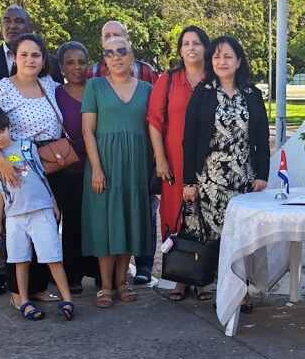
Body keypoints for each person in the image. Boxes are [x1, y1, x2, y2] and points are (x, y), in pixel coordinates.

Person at [0, 4, 61, 296]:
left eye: (35, 55)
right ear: (15, 58)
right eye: (24, 55)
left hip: (50, 163)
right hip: (17, 163)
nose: (30, 60)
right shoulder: (1, 89)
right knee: (18, 227)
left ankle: (40, 288)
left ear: (43, 59)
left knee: (45, 226)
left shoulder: (49, 84)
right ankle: (20, 293)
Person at [181, 35, 270, 304]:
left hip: (244, 180)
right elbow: (189, 139)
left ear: (238, 61)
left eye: (228, 56)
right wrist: (189, 181)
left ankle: (242, 292)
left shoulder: (252, 94)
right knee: (216, 238)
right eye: (217, 56)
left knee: (242, 238)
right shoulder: (203, 93)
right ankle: (221, 290)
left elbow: (261, 138)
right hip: (210, 181)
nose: (222, 61)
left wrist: (262, 175)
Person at [0, 105, 74, 321]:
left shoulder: (27, 147)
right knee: (19, 260)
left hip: (41, 211)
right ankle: (24, 301)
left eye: (1, 131)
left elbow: (41, 175)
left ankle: (67, 298)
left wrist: (53, 202)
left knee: (52, 257)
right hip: (14, 217)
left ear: (9, 127)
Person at [80, 35, 154, 308]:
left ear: (132, 55)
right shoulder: (95, 86)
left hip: (136, 164)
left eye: (121, 51)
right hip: (105, 164)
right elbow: (87, 131)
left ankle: (122, 282)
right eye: (109, 53)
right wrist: (96, 169)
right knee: (105, 222)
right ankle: (105, 285)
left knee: (129, 220)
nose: (116, 57)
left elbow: (154, 128)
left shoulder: (147, 89)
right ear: (104, 59)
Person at [147, 25, 211, 301]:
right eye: (186, 43)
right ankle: (179, 278)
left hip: (208, 162)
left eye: (197, 43)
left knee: (206, 217)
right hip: (174, 161)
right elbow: (154, 121)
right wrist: (160, 158)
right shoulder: (169, 80)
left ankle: (203, 278)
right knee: (174, 216)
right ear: (180, 50)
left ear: (206, 47)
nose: (191, 48)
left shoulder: (214, 79)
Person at [54, 40, 99, 293]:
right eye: (70, 63)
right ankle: (72, 274)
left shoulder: (98, 88)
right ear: (61, 66)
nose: (77, 67)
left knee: (97, 220)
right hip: (68, 166)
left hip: (97, 164)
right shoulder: (55, 93)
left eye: (82, 62)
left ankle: (100, 272)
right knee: (72, 221)